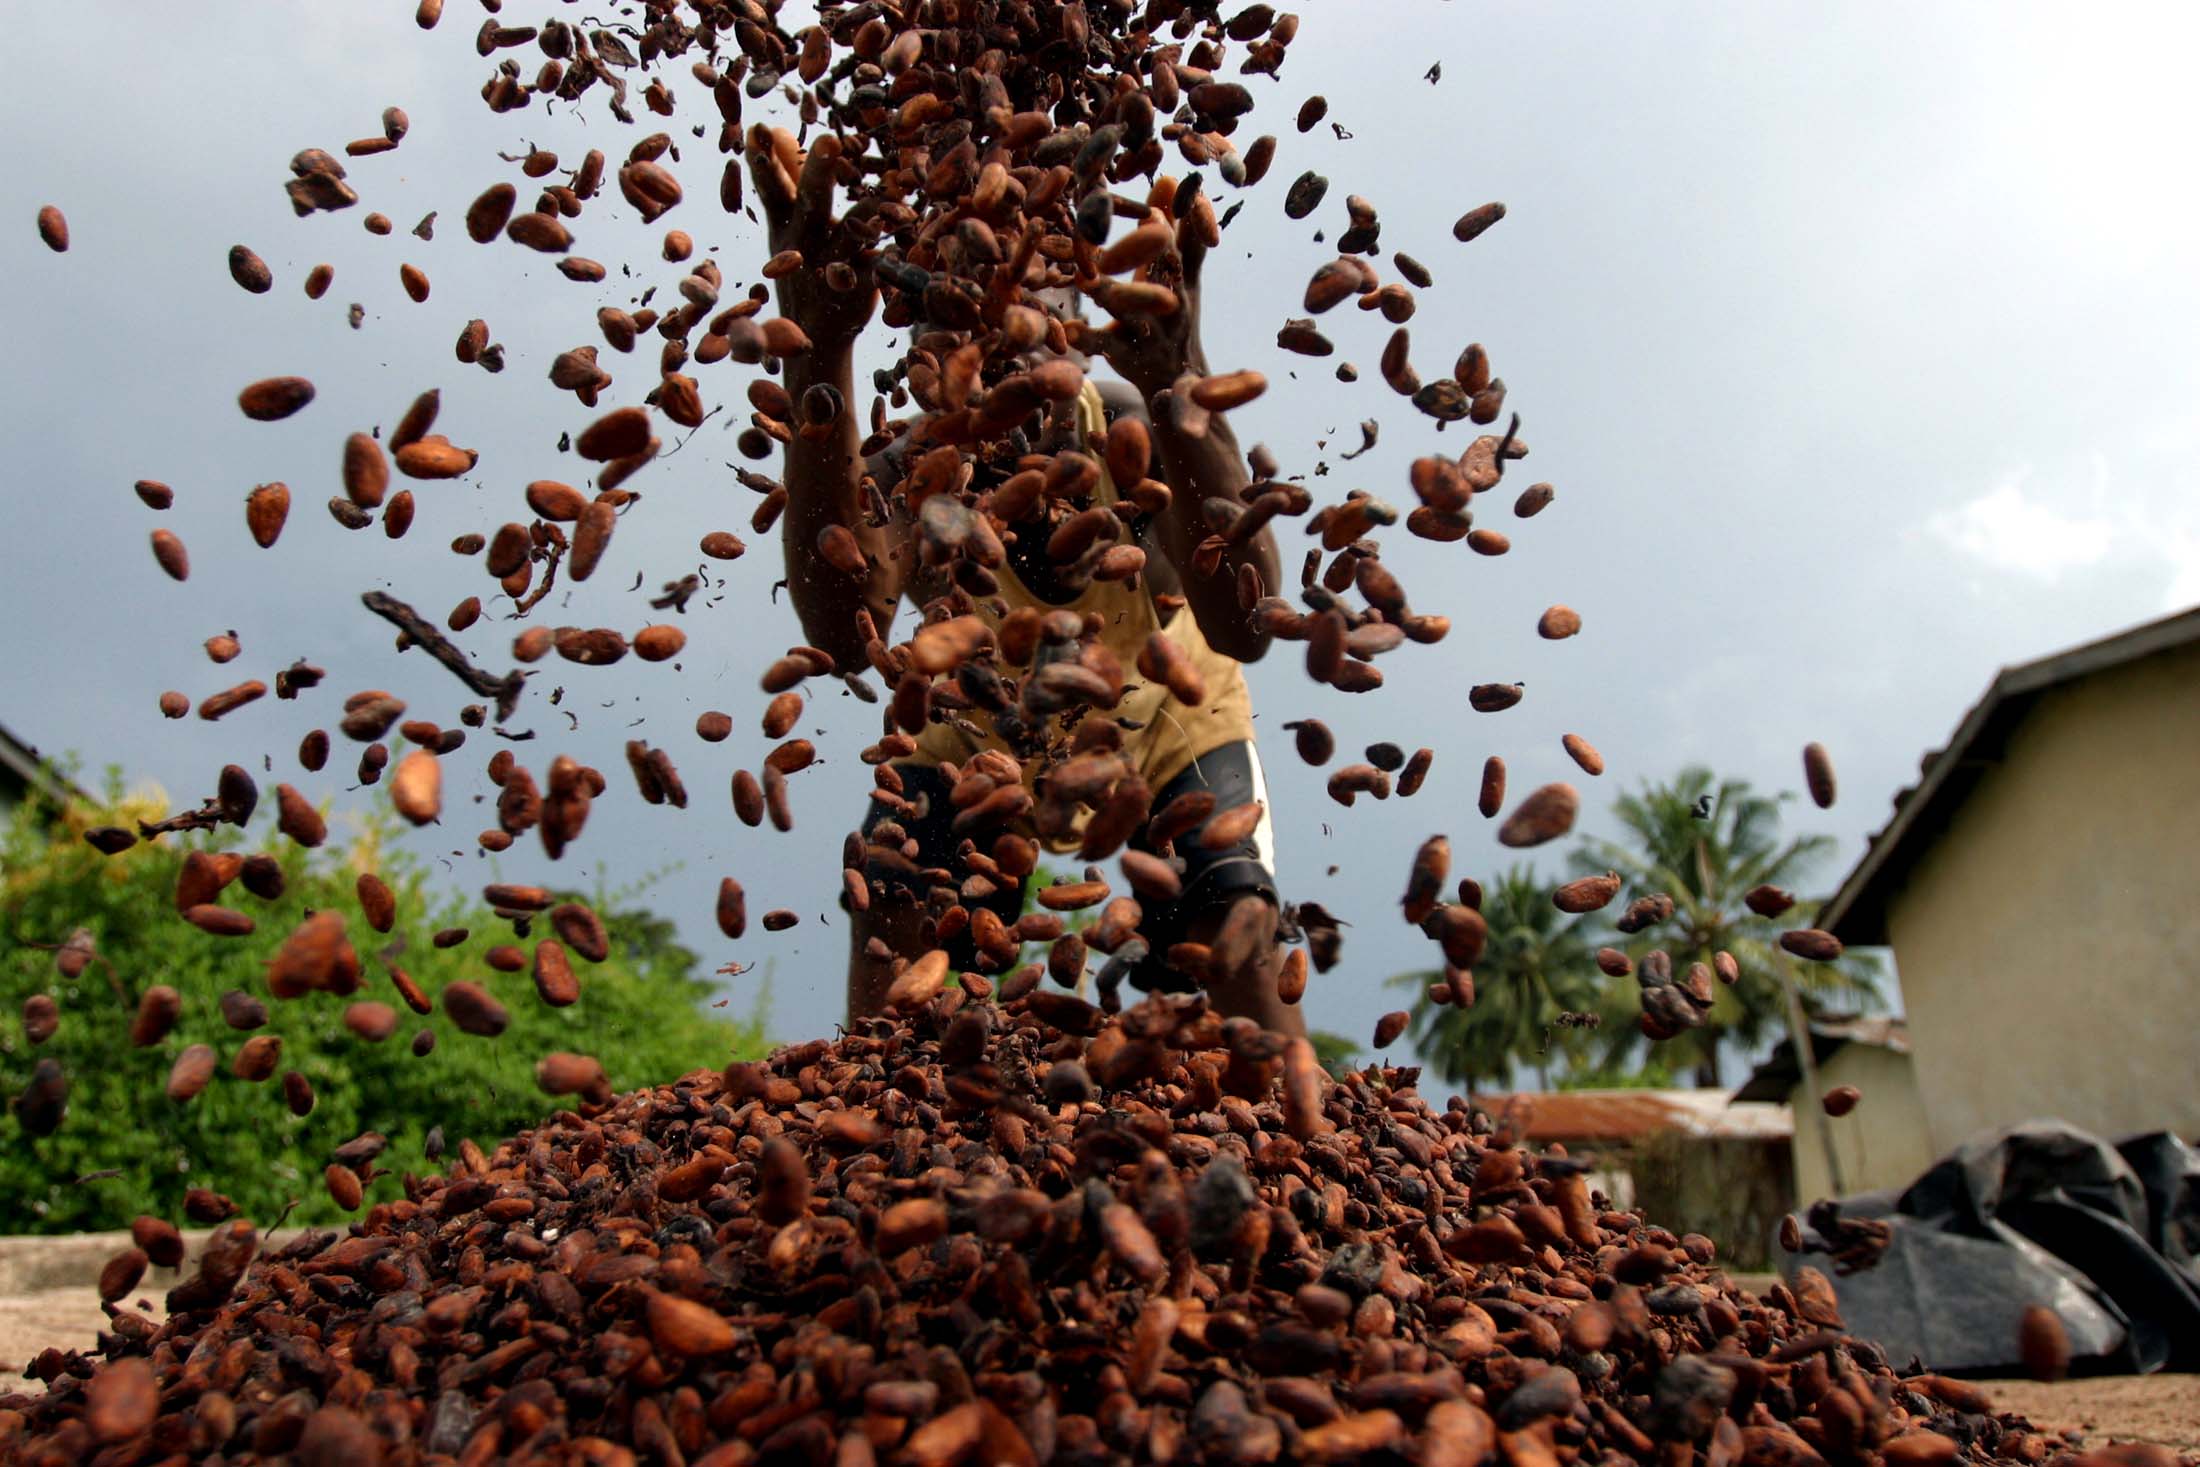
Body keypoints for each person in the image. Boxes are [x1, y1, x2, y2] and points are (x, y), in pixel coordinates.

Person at [749, 134, 1299, 1036]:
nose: (985, 336)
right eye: (952, 311)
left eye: (1017, 300)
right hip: (975, 726)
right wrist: (817, 352)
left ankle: (1298, 1148)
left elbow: (1247, 624)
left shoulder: (1133, 429)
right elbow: (845, 637)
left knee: (1231, 920)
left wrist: (1178, 381)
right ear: (919, 341)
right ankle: (888, 1145)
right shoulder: (916, 473)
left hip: (1164, 715)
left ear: (1073, 321)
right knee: (895, 914)